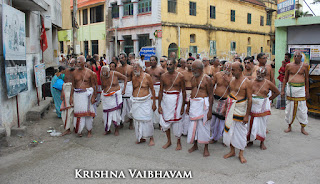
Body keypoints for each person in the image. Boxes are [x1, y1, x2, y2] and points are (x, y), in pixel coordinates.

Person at [223, 62, 252, 164]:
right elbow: (230, 95)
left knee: (241, 133)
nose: (232, 72)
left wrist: (247, 115)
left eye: (233, 70)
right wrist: (225, 108)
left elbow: (250, 99)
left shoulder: (247, 82)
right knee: (230, 131)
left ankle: (241, 154)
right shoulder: (232, 80)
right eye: (231, 70)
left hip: (241, 109)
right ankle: (232, 151)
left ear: (240, 70)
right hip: (231, 108)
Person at [247, 67, 280, 150]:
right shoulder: (251, 82)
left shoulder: (268, 83)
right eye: (258, 72)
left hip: (263, 106)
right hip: (252, 105)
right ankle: (251, 141)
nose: (259, 75)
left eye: (262, 73)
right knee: (250, 123)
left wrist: (269, 100)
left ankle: (262, 142)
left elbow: (277, 92)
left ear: (265, 75)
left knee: (262, 124)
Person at [186, 61, 213, 157]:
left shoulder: (207, 79)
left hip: (203, 106)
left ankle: (206, 148)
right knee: (194, 127)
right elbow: (191, 93)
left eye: (194, 69)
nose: (192, 70)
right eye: (192, 69)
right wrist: (189, 105)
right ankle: (195, 145)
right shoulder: (193, 78)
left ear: (200, 69)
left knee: (204, 127)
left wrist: (210, 111)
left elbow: (210, 95)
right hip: (194, 105)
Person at [158, 58, 186, 150]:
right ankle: (169, 141)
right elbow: (161, 91)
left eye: (171, 64)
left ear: (175, 65)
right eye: (168, 65)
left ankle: (178, 142)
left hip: (177, 100)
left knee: (177, 122)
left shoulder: (180, 76)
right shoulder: (163, 76)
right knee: (166, 121)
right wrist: (159, 105)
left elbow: (184, 92)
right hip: (166, 100)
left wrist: (182, 106)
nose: (169, 66)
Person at [281, 51, 309, 135]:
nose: (297, 57)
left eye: (299, 56)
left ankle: (303, 127)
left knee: (302, 108)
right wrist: (282, 90)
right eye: (295, 56)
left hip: (301, 89)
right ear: (293, 57)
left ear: (301, 57)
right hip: (291, 88)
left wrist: (307, 91)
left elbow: (307, 79)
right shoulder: (289, 66)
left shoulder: (305, 66)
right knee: (289, 107)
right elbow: (285, 78)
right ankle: (289, 126)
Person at [70, 55, 96, 138]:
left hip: (87, 95)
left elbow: (93, 85)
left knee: (88, 114)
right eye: (77, 61)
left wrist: (93, 97)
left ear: (84, 63)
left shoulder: (89, 72)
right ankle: (79, 130)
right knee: (78, 113)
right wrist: (71, 97)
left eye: (79, 62)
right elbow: (73, 86)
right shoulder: (74, 72)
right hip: (77, 95)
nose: (77, 63)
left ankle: (89, 130)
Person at [131, 62, 157, 146]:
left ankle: (151, 138)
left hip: (145, 101)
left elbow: (152, 89)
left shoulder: (147, 77)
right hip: (136, 101)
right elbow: (133, 89)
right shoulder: (134, 77)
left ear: (141, 68)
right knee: (137, 121)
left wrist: (154, 103)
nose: (134, 69)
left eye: (136, 67)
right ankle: (140, 137)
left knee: (147, 120)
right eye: (133, 67)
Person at [101, 65, 127, 136]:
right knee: (106, 114)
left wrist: (124, 89)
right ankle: (107, 129)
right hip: (106, 98)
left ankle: (116, 129)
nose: (105, 76)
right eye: (104, 75)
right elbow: (103, 86)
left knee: (115, 113)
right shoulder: (102, 76)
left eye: (106, 74)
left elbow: (125, 78)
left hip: (115, 97)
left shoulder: (115, 74)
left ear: (109, 71)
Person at [210, 62, 232, 143]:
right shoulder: (217, 75)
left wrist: (228, 80)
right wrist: (211, 96)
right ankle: (214, 137)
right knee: (213, 121)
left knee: (222, 122)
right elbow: (212, 85)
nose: (227, 70)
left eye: (228, 68)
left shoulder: (232, 77)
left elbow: (233, 89)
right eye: (225, 67)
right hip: (216, 100)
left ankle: (224, 139)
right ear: (222, 67)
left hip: (225, 101)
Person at [145, 56, 165, 128]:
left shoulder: (160, 70)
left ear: (156, 61)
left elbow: (164, 80)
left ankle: (160, 123)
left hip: (158, 88)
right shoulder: (147, 69)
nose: (151, 61)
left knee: (159, 104)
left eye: (153, 60)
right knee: (150, 105)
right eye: (150, 60)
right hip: (150, 88)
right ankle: (151, 122)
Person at [116, 53, 134, 129]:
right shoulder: (118, 68)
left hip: (129, 87)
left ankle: (131, 122)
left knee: (130, 105)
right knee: (120, 104)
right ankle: (120, 121)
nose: (121, 59)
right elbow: (116, 79)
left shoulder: (131, 68)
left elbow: (134, 79)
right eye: (120, 58)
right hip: (120, 86)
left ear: (126, 58)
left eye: (122, 58)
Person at [61, 58, 76, 136]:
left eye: (72, 63)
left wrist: (70, 96)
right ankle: (67, 128)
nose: (71, 65)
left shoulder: (76, 72)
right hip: (65, 90)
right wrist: (62, 93)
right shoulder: (66, 71)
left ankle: (72, 128)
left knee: (72, 110)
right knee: (65, 111)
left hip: (72, 92)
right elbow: (64, 82)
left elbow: (74, 85)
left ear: (75, 64)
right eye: (70, 63)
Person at [181, 58, 194, 136]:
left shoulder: (196, 73)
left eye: (191, 63)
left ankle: (190, 130)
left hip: (193, 93)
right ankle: (183, 130)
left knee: (191, 112)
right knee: (184, 111)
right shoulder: (182, 73)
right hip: (185, 92)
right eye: (188, 63)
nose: (189, 65)